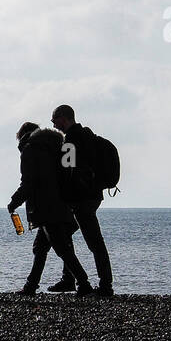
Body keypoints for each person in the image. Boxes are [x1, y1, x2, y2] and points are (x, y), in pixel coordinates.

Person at [8, 122, 94, 296]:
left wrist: (14, 201)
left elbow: (29, 182)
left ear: (23, 136)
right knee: (40, 247)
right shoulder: (58, 146)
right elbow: (67, 173)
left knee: (62, 249)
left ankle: (84, 284)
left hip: (45, 207)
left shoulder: (30, 150)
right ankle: (31, 285)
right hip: (63, 204)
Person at [48, 105, 114, 295]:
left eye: (55, 119)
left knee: (94, 242)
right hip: (92, 195)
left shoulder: (71, 140)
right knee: (69, 235)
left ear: (65, 118)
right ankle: (69, 279)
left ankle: (105, 285)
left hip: (81, 198)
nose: (53, 124)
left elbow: (67, 170)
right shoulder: (88, 136)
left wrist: (62, 194)